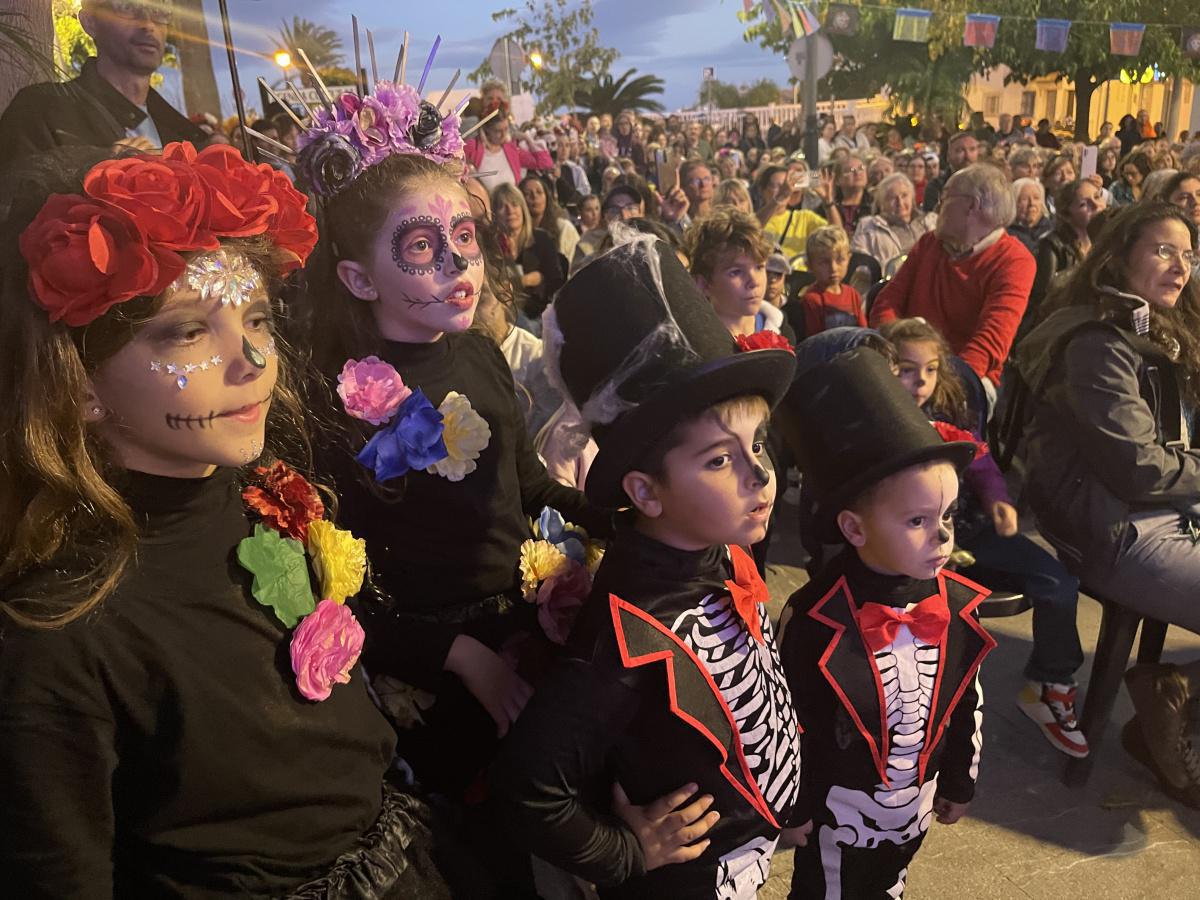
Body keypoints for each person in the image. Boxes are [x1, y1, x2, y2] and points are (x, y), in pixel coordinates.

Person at [0, 141, 464, 896]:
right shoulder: (62, 636)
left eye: (256, 316)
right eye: (186, 331)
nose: (251, 357)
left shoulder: (269, 497)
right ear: (79, 381)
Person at [294, 89, 613, 892]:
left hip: (521, 625)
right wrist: (463, 658)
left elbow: (524, 482)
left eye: (463, 240)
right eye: (423, 246)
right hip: (427, 678)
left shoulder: (476, 355)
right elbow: (333, 590)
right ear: (359, 278)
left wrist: (618, 512)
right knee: (477, 860)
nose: (458, 267)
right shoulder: (338, 405)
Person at [493, 235, 803, 897]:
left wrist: (779, 795)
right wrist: (626, 851)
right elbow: (530, 789)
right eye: (720, 460)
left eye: (758, 446)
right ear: (644, 491)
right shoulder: (625, 635)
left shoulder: (717, 556)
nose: (762, 475)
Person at [779, 347, 993, 900]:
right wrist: (793, 804)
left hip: (914, 809)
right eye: (918, 521)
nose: (942, 536)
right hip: (836, 813)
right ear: (853, 527)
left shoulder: (959, 606)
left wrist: (960, 779)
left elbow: (967, 698)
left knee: (890, 887)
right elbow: (791, 719)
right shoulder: (812, 617)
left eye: (946, 517)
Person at [1016, 202, 1200, 806]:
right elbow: (1139, 466)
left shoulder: (1154, 330)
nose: (1181, 266)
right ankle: (1172, 727)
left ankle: (1169, 705)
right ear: (1119, 256)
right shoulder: (1097, 341)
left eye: (1189, 254)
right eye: (1163, 250)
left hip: (1160, 512)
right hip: (1117, 531)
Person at [880, 318, 1087, 757]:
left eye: (932, 369)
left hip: (971, 532)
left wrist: (998, 499)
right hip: (906, 544)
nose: (921, 381)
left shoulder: (944, 418)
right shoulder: (875, 420)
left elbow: (978, 459)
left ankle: (1050, 682)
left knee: (1056, 581)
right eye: (906, 368)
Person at [871, 164, 1035, 399]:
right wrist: (892, 355)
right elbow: (887, 301)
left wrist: (936, 382)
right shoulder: (930, 243)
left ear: (972, 206)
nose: (938, 205)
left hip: (966, 376)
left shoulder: (1014, 260)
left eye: (946, 197)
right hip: (904, 363)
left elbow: (990, 343)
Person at [0, 0, 207, 170]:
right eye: (127, 7)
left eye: (159, 11)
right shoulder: (39, 109)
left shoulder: (186, 134)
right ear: (89, 21)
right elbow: (13, 205)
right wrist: (99, 171)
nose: (148, 24)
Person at [684, 206, 792, 341]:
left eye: (759, 267)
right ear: (703, 284)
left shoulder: (779, 328)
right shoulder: (695, 343)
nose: (754, 282)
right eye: (736, 272)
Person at [1027, 179, 1106, 326]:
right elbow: (1043, 300)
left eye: (1097, 197)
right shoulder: (1052, 245)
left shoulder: (1107, 239)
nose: (1096, 206)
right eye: (1084, 204)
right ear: (1066, 215)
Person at [493, 182, 567, 323]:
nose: (510, 211)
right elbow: (496, 288)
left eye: (515, 205)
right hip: (503, 316)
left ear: (522, 209)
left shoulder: (542, 239)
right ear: (494, 213)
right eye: (503, 206)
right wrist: (526, 280)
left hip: (540, 315)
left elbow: (556, 282)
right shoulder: (491, 246)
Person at [851, 173, 937, 272]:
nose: (899, 202)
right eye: (892, 198)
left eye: (904, 195)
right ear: (881, 203)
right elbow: (860, 267)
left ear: (912, 198)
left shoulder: (931, 221)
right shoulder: (868, 226)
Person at [756, 164, 835, 265]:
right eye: (777, 186)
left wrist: (828, 202)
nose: (785, 189)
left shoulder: (804, 218)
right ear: (763, 190)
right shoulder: (754, 219)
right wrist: (779, 197)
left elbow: (836, 235)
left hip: (798, 276)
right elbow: (752, 228)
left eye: (787, 185)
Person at [795, 225, 866, 338]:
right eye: (824, 262)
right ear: (810, 265)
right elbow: (815, 341)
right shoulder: (812, 299)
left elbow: (863, 333)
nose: (833, 268)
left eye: (840, 260)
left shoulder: (853, 295)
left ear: (848, 259)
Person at [463, 113, 554, 194]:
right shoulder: (473, 147)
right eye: (498, 131)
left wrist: (528, 139)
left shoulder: (511, 149)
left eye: (506, 129)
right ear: (487, 130)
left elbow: (545, 163)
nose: (504, 134)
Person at [520, 173, 580, 263]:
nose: (534, 197)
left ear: (547, 197)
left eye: (539, 192)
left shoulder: (564, 228)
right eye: (528, 194)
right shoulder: (516, 232)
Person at [922, 131, 980, 212]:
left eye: (972, 149)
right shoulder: (936, 187)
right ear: (948, 156)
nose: (968, 156)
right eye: (960, 150)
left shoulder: (988, 183)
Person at [1007, 177, 1053, 257]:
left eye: (1036, 198)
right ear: (1013, 203)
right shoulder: (1006, 236)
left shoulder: (1052, 231)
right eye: (1024, 199)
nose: (1032, 203)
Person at [831, 155, 870, 234]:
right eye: (850, 170)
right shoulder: (828, 206)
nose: (857, 173)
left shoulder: (875, 204)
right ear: (838, 180)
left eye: (861, 168)